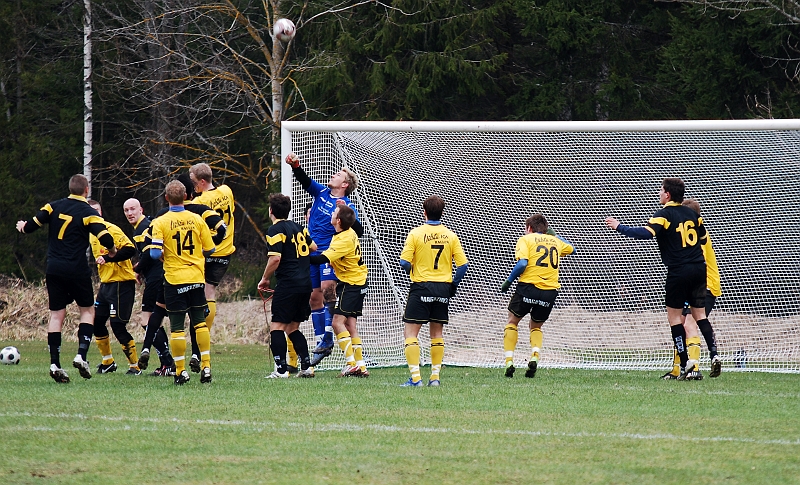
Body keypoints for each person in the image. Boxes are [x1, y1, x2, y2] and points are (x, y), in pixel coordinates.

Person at [605, 177, 712, 380]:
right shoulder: (694, 224)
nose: (659, 194)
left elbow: (648, 233)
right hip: (699, 276)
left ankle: (694, 366)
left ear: (668, 194)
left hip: (695, 278)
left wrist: (620, 227)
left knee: (687, 323)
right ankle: (685, 366)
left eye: (661, 191)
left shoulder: (672, 218)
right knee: (683, 322)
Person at [15, 174, 117, 383]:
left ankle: (54, 363)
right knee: (88, 311)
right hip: (77, 269)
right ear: (86, 190)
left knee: (56, 315)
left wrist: (22, 227)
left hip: (54, 268)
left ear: (70, 188)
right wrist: (113, 250)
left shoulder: (52, 207)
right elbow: (105, 237)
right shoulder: (89, 213)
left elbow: (32, 225)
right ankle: (81, 355)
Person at [285, 152, 364, 366]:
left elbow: (360, 230)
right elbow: (305, 181)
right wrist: (296, 166)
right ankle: (322, 341)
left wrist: (344, 208)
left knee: (329, 292)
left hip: (329, 256)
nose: (333, 176)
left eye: (338, 174)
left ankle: (329, 337)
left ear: (345, 184)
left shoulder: (345, 204)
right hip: (312, 251)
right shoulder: (321, 191)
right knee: (313, 298)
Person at [149, 180, 216, 385]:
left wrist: (163, 255)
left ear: (166, 198)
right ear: (186, 196)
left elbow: (153, 253)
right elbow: (211, 249)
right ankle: (206, 367)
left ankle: (180, 371)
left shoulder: (160, 221)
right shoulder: (196, 219)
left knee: (177, 327)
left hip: (174, 280)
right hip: (196, 278)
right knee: (200, 324)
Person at [398, 195, 468, 387]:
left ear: (425, 212)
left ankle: (416, 379)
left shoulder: (416, 234)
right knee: (437, 334)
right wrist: (453, 285)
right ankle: (435, 378)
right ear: (442, 212)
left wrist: (411, 269)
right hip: (442, 288)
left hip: (421, 286)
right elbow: (463, 266)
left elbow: (404, 262)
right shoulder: (451, 235)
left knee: (411, 333)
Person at [500, 214, 574, 378]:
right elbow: (572, 248)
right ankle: (535, 356)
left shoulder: (526, 239)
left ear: (529, 228)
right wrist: (554, 235)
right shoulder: (555, 242)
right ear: (546, 229)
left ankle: (509, 361)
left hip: (528, 287)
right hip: (550, 292)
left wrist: (509, 281)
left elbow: (522, 263)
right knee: (536, 327)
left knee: (512, 321)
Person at [661, 198, 722, 379]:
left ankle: (694, 368)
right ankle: (677, 369)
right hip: (693, 282)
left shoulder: (696, 236)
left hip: (706, 284)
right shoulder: (691, 233)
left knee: (689, 323)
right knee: (678, 323)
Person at [258, 194, 316, 378]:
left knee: (277, 327)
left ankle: (281, 370)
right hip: (306, 284)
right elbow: (313, 247)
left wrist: (265, 278)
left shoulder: (275, 230)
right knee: (292, 328)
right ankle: (306, 367)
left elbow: (275, 257)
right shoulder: (299, 228)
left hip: (289, 284)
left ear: (271, 211)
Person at [309, 203, 369, 377]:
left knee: (337, 323)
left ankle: (351, 364)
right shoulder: (347, 232)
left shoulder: (343, 240)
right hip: (357, 281)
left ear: (339, 220)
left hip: (352, 284)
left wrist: (300, 257)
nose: (332, 213)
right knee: (350, 325)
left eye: (334, 212)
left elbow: (321, 259)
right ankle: (361, 366)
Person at [189, 162, 235, 373]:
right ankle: (201, 342)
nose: (193, 186)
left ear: (202, 181)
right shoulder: (227, 190)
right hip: (226, 252)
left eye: (193, 182)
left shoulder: (200, 201)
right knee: (211, 290)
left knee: (199, 295)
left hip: (209, 251)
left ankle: (199, 340)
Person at [87, 200, 142, 375]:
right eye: (90, 212)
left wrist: (109, 258)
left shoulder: (111, 230)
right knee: (97, 323)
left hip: (121, 284)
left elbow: (130, 250)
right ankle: (108, 361)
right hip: (106, 285)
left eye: (96, 211)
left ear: (101, 213)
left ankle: (135, 366)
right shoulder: (90, 234)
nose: (94, 214)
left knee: (117, 325)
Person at [123, 198, 175, 376]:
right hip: (161, 276)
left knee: (148, 320)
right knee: (155, 320)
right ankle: (166, 363)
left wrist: (136, 269)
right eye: (126, 210)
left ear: (141, 209)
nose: (130, 213)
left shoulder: (143, 228)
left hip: (157, 278)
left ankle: (168, 362)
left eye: (132, 209)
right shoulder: (147, 225)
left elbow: (148, 254)